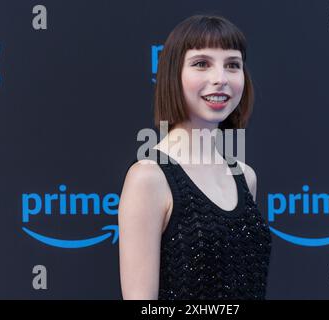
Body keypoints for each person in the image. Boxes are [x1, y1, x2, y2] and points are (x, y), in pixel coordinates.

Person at [118, 14, 272, 300]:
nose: (220, 79)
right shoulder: (149, 177)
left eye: (232, 65)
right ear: (172, 74)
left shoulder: (245, 177)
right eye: (202, 64)